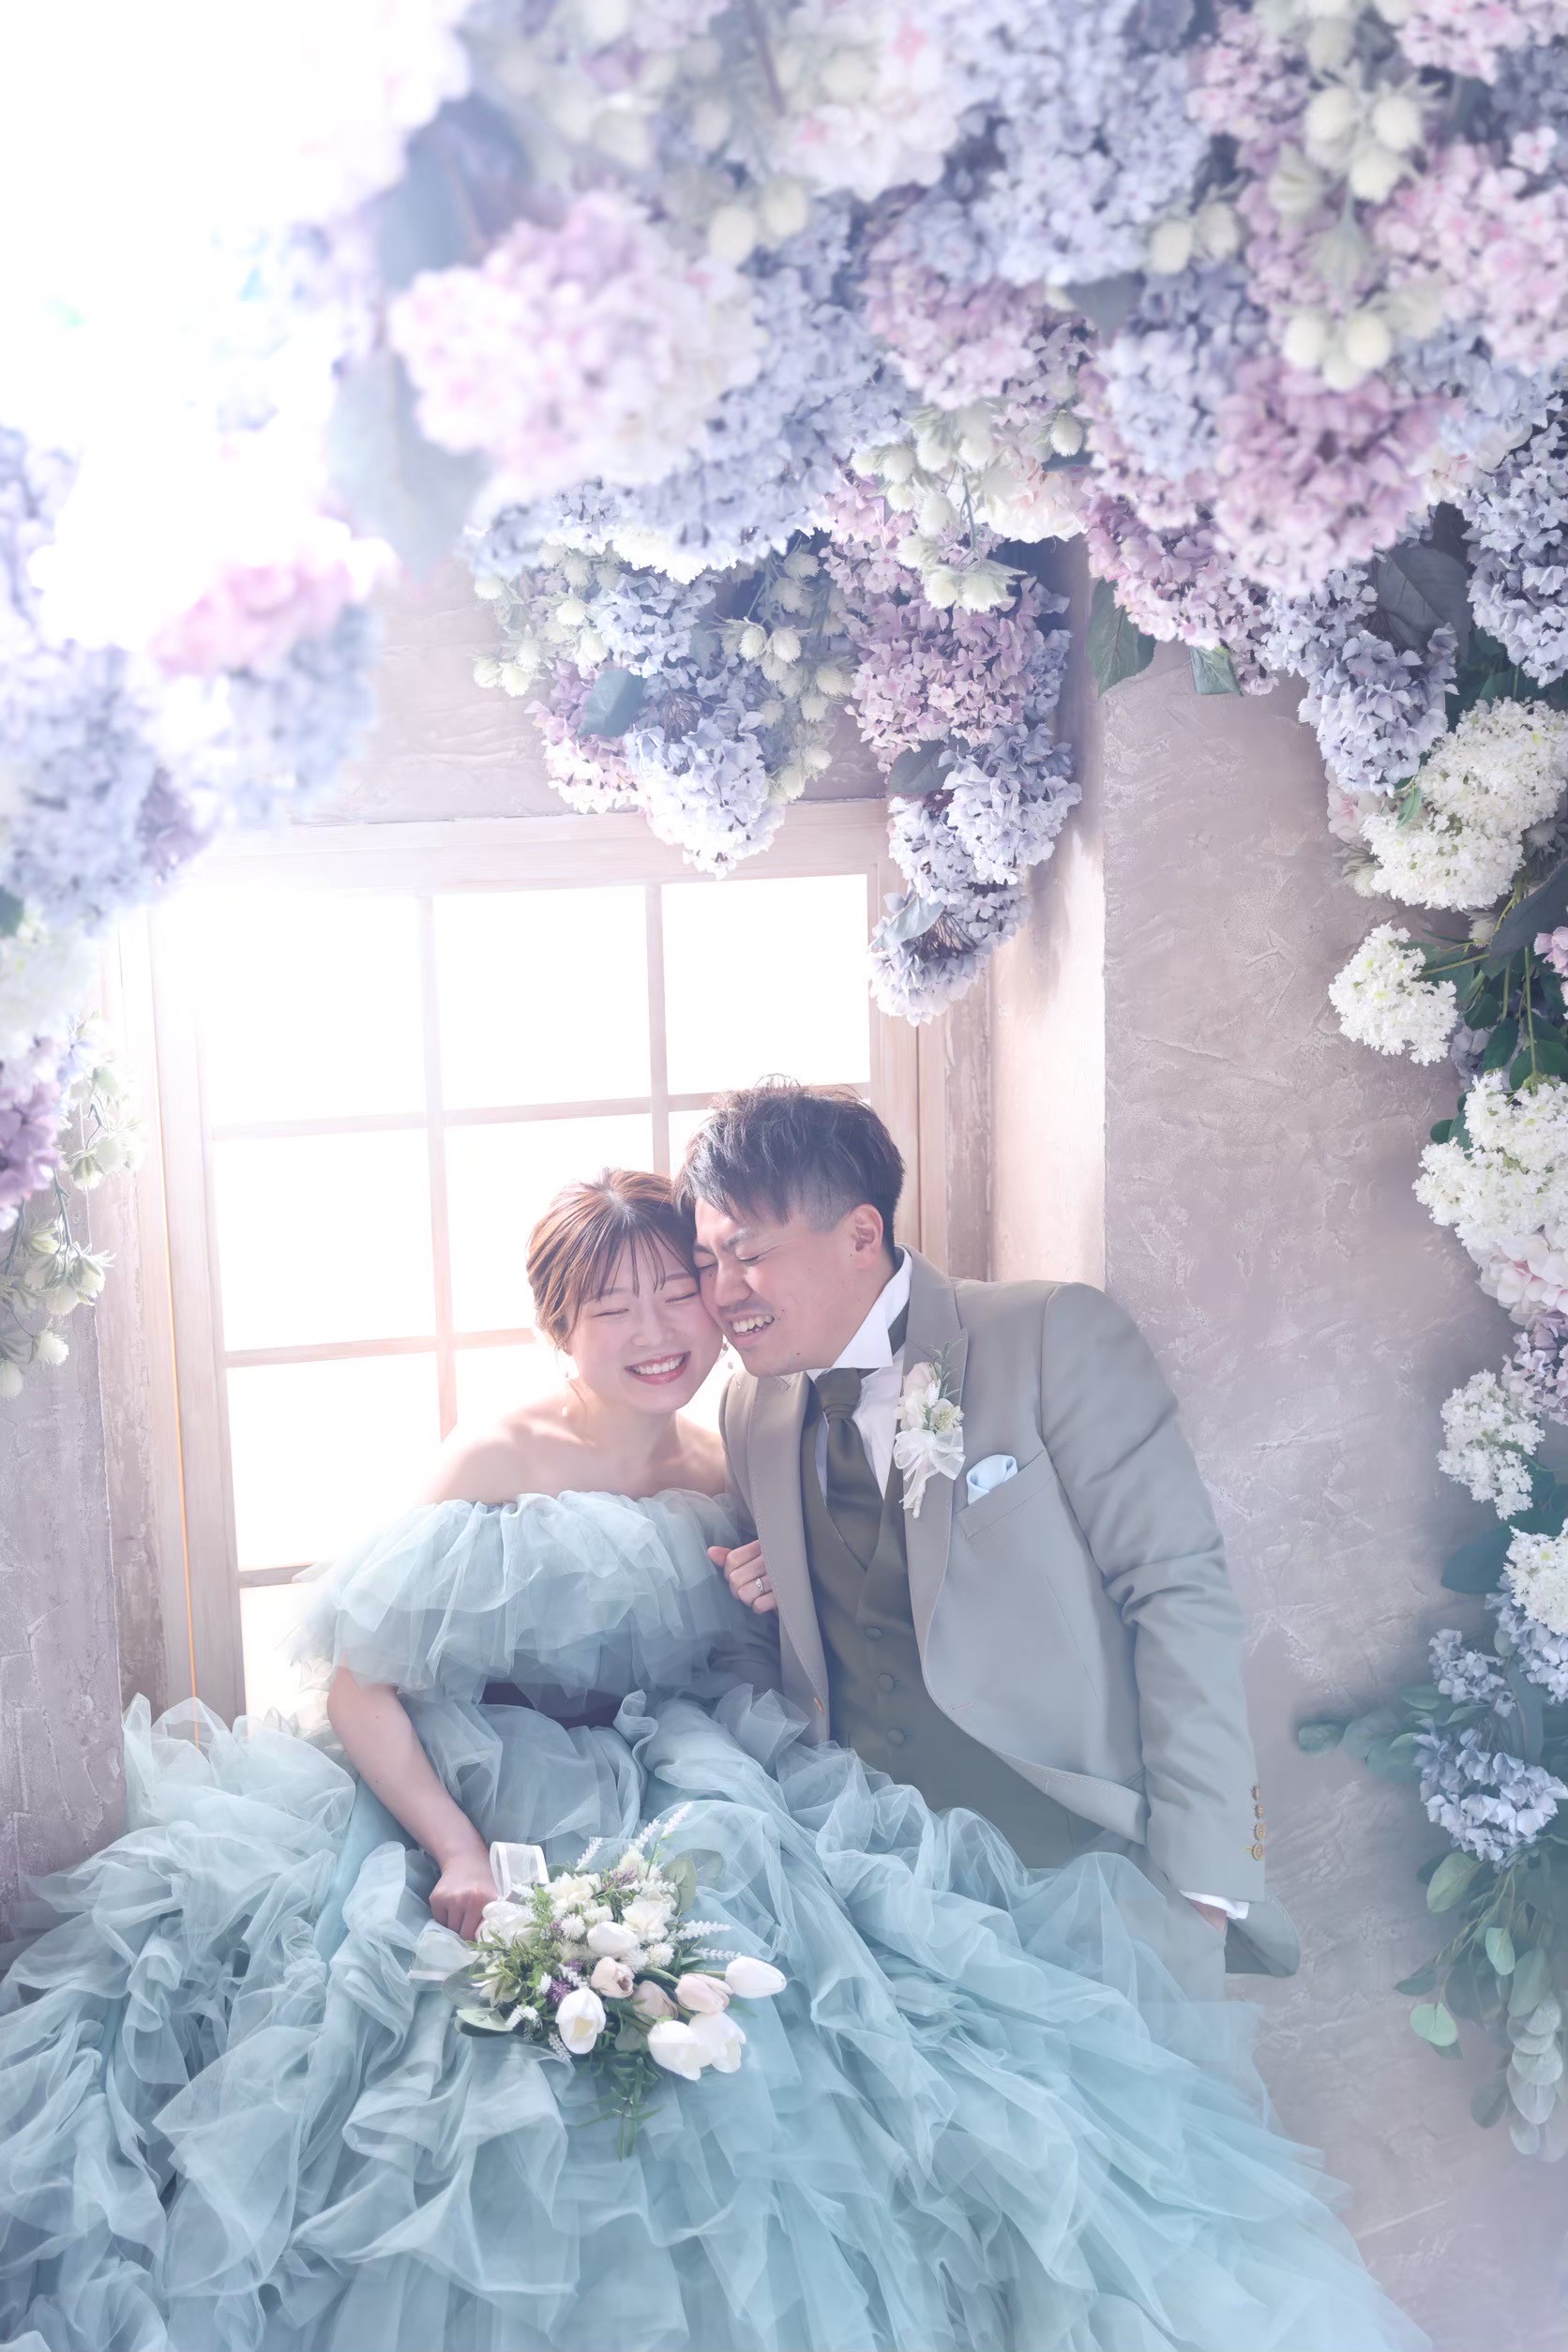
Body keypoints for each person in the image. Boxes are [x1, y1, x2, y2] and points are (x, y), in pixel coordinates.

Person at [0, 1168, 1429, 2352]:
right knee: (487, 2100)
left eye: (676, 1291)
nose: (654, 1328)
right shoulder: (498, 1459)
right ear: (559, 1327)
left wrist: (759, 1596)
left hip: (694, 1779)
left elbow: (810, 1643)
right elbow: (360, 1685)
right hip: (477, 1790)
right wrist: (457, 1850)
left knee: (822, 2048)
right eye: (608, 1306)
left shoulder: (730, 1453)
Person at [687, 1079, 1296, 1984]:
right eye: (705, 1263)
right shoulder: (749, 1408)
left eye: (747, 1254)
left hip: (1084, 1877)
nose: (721, 1292)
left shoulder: (1047, 1335)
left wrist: (1205, 1878)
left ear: (861, 1233)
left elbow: (1176, 1590)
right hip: (876, 1893)